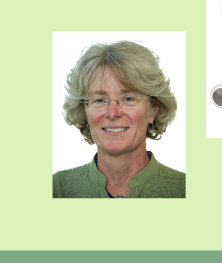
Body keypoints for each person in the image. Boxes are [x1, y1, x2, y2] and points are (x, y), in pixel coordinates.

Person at [53, 41, 185, 198]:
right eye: (99, 100)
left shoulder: (185, 190)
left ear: (153, 110)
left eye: (128, 98)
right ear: (84, 111)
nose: (112, 113)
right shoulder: (57, 189)